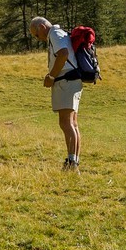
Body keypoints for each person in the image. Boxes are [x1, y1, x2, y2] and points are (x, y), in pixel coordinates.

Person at [30, 16, 83, 170]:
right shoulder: (60, 33)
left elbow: (63, 54)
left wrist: (51, 76)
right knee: (72, 123)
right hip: (72, 80)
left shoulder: (55, 34)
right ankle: (74, 161)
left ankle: (72, 162)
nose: (38, 38)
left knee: (66, 123)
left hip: (65, 81)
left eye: (36, 34)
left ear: (41, 27)